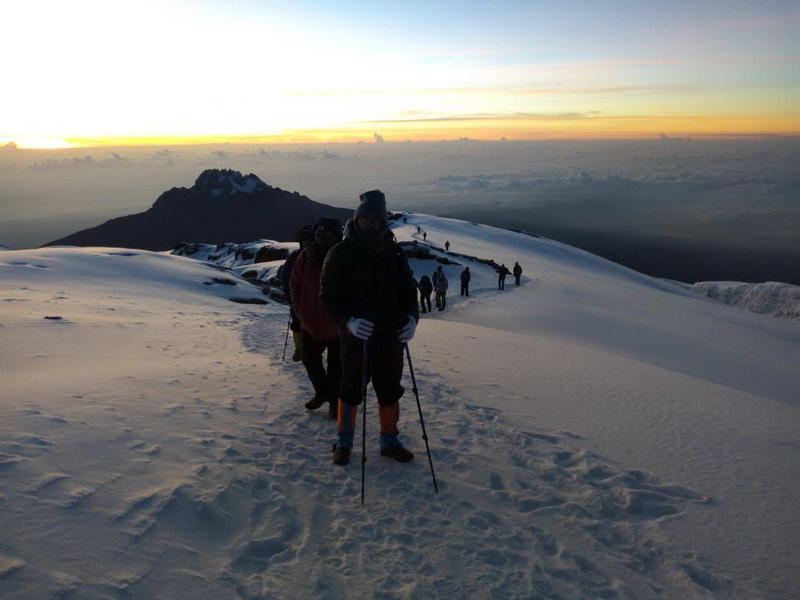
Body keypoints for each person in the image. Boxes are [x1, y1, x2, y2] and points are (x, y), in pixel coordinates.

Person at [320, 190, 419, 466]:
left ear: (383, 221)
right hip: (356, 338)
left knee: (389, 388)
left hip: (391, 336)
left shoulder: (395, 253)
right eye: (365, 218)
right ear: (357, 218)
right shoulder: (340, 254)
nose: (369, 223)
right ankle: (344, 442)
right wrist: (347, 322)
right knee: (351, 389)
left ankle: (389, 440)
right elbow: (327, 297)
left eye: (375, 219)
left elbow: (408, 293)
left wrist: (412, 318)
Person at [290, 217, 344, 419]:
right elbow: (294, 283)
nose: (322, 238)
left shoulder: (343, 255)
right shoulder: (306, 256)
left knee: (336, 365)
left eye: (327, 235)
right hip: (311, 321)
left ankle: (335, 402)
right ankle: (324, 394)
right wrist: (300, 309)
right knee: (309, 359)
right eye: (319, 235)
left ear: (336, 236)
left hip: (337, 321)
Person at [280, 227, 314, 361]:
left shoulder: (295, 257)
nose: (308, 244)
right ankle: (300, 350)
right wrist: (290, 296)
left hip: (310, 298)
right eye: (306, 242)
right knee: (298, 323)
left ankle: (305, 349)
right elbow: (286, 278)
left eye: (310, 241)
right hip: (298, 298)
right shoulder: (295, 258)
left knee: (306, 323)